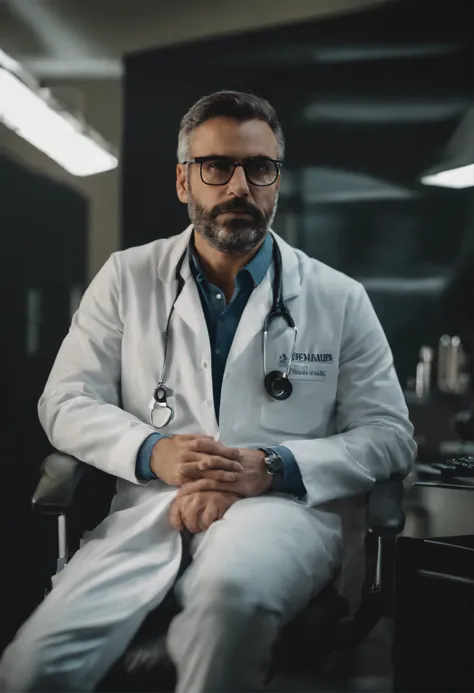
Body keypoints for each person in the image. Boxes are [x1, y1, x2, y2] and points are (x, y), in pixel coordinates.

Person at [0, 90, 416, 692]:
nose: (238, 186)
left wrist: (270, 466)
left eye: (259, 167)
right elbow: (65, 400)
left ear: (276, 180)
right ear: (183, 181)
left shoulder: (339, 297)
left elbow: (389, 436)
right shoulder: (126, 278)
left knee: (231, 605)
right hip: (153, 508)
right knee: (31, 667)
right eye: (216, 166)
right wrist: (153, 452)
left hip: (283, 512)